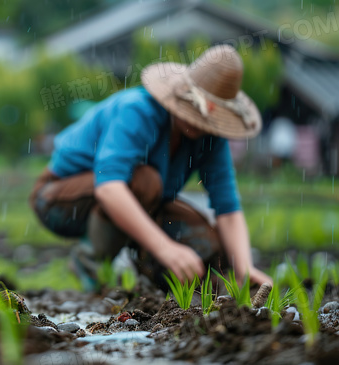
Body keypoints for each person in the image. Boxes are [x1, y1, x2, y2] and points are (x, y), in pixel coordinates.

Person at [30, 45, 273, 290]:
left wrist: (244, 268)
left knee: (208, 247)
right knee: (145, 181)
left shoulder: (210, 138)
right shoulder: (138, 110)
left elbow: (228, 208)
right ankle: (92, 266)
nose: (197, 122)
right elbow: (109, 187)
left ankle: (151, 281)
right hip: (59, 199)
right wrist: (165, 248)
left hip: (143, 201)